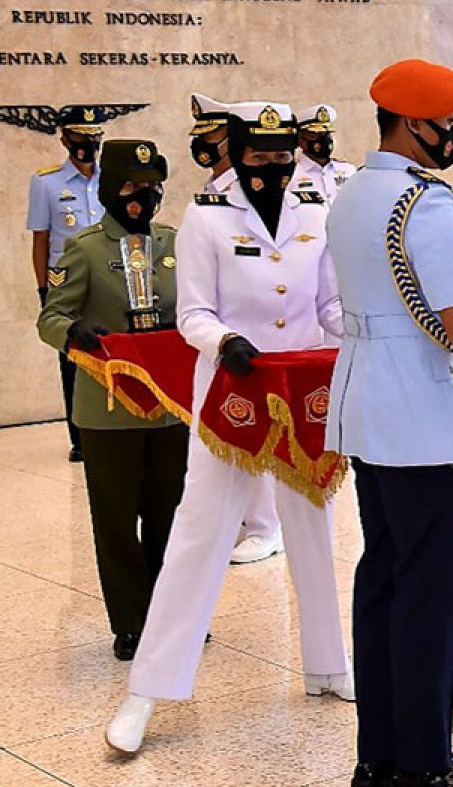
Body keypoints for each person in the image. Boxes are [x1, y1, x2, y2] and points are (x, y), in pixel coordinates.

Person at [105, 100, 353, 755]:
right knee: (198, 535)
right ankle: (147, 690)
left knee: (314, 526)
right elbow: (193, 314)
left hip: (302, 395)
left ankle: (330, 665)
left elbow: (326, 302)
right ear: (235, 153)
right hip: (232, 395)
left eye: (282, 154)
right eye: (258, 155)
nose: (272, 167)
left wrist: (356, 336)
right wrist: (224, 342)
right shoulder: (204, 219)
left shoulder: (314, 210)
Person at [325, 59, 453, 787]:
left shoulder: (350, 194)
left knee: (383, 577)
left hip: (363, 403)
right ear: (415, 124)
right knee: (429, 592)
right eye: (449, 126)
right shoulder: (425, 203)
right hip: (413, 408)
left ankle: (379, 754)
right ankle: (423, 765)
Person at [36, 139, 186, 662]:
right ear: (108, 191)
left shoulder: (174, 242)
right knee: (117, 520)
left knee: (171, 516)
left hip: (170, 406)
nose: (141, 198)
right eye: (129, 187)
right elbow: (49, 317)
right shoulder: (84, 248)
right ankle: (131, 621)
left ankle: (170, 616)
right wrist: (73, 331)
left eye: (150, 188)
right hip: (106, 410)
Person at [188, 92, 284, 566]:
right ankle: (255, 522)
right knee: (234, 444)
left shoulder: (299, 201)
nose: (207, 145)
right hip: (233, 349)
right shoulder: (210, 202)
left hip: (286, 350)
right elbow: (196, 306)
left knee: (274, 445)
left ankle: (267, 526)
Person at [27, 105, 109, 461]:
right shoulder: (46, 182)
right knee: (73, 361)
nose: (87, 143)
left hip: (108, 280)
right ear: (64, 139)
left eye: (93, 136)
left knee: (110, 352)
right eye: (79, 136)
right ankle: (80, 438)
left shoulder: (113, 178)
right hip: (68, 284)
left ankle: (112, 428)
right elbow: (41, 239)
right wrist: (44, 290)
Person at [294, 103, 358, 202]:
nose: (323, 139)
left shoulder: (348, 171)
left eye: (326, 134)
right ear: (300, 139)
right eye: (315, 134)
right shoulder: (292, 173)